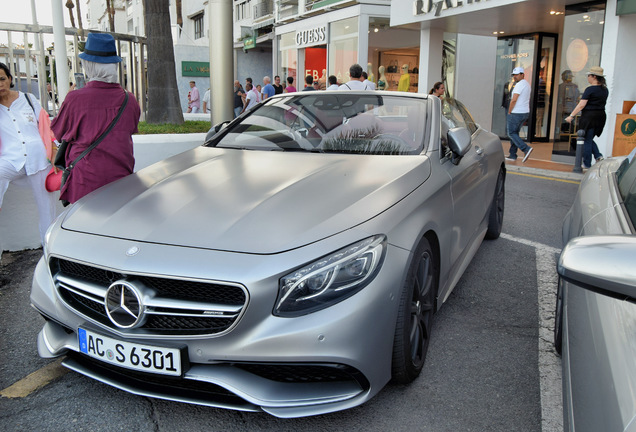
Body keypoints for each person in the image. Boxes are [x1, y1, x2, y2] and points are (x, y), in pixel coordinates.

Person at [51, 32, 140, 205]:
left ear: (88, 65)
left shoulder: (75, 99)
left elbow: (59, 132)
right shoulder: (129, 99)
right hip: (121, 177)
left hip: (86, 179)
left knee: (83, 227)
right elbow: (130, 129)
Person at [0, 62, 57, 245]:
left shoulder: (29, 99)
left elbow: (46, 126)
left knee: (46, 211)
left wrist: (55, 148)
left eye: (2, 79)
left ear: (9, 79)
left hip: (39, 159)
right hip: (11, 161)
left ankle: (49, 252)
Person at [565, 66, 607, 169]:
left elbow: (581, 105)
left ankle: (587, 164)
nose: (587, 78)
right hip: (600, 116)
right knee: (589, 138)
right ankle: (598, 155)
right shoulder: (605, 90)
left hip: (589, 117)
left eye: (589, 75)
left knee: (586, 140)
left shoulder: (590, 89)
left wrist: (571, 115)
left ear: (594, 77)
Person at [505, 67, 533, 163]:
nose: (515, 76)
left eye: (517, 75)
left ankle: (525, 148)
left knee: (511, 133)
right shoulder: (527, 84)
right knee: (515, 133)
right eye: (514, 75)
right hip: (524, 112)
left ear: (522, 74)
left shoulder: (519, 85)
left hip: (516, 113)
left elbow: (514, 100)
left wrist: (509, 111)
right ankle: (513, 154)